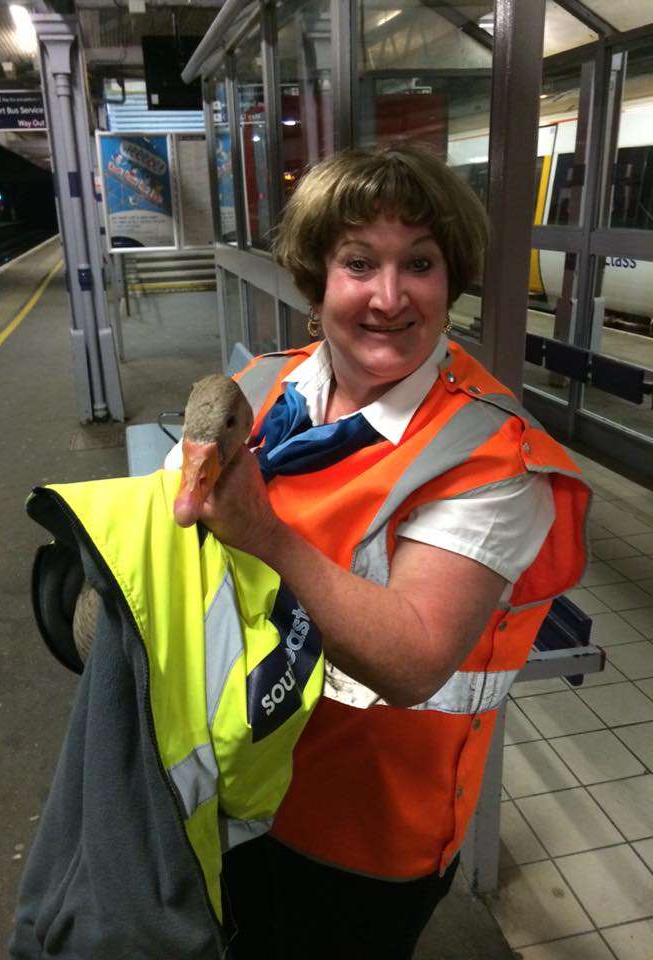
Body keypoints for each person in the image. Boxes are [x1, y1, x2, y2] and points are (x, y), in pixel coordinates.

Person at [166, 143, 590, 958]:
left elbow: (414, 660)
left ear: (450, 280)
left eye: (419, 264)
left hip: (363, 836)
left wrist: (263, 533)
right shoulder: (260, 388)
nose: (389, 297)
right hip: (226, 787)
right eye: (359, 262)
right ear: (317, 276)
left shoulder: (492, 457)